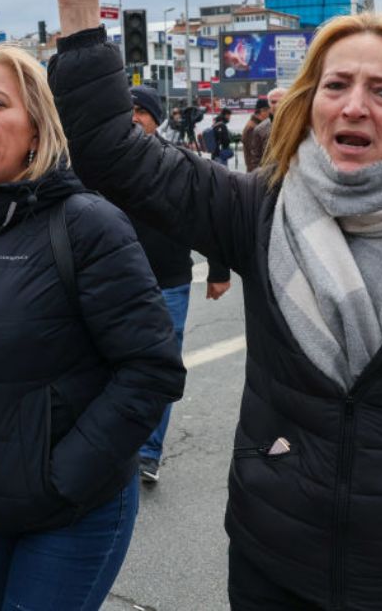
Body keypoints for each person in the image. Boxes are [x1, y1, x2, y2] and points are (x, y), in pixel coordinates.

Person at [47, 0, 382, 609]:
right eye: (335, 85)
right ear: (310, 102)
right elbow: (112, 151)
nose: (353, 105)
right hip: (275, 557)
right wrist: (78, 11)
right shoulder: (255, 207)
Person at [0, 41, 186, 610]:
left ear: (37, 127)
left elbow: (151, 368)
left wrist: (62, 477)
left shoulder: (89, 225)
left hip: (73, 511)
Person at [126, 86, 233, 484]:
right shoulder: (101, 163)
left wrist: (219, 270)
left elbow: (208, 213)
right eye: (127, 110)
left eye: (142, 111)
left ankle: (147, 454)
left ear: (157, 119)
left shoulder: (176, 163)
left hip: (168, 282)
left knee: (158, 368)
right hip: (112, 282)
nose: (134, 117)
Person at [241, 98, 272, 171]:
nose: (270, 113)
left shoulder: (257, 125)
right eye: (269, 110)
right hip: (255, 172)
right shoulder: (252, 128)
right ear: (262, 111)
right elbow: (254, 154)